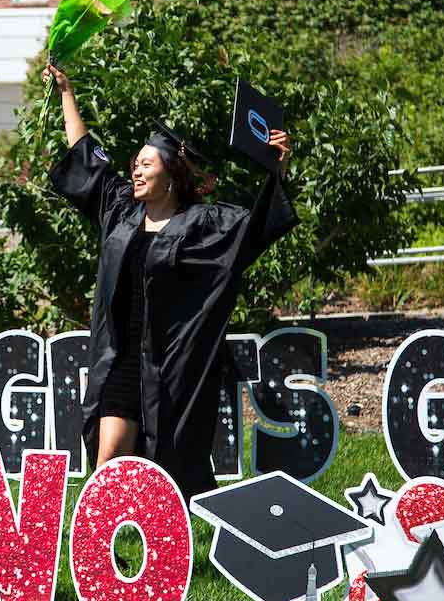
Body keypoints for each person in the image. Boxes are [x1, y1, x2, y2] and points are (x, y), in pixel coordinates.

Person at [44, 63, 299, 500]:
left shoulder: (203, 224)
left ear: (171, 175)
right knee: (108, 461)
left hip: (171, 367)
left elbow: (256, 228)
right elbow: (86, 157)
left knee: (161, 469)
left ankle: (154, 537)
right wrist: (67, 93)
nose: (136, 171)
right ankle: (98, 546)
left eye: (146, 163)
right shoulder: (121, 211)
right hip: (122, 358)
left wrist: (279, 168)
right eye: (134, 164)